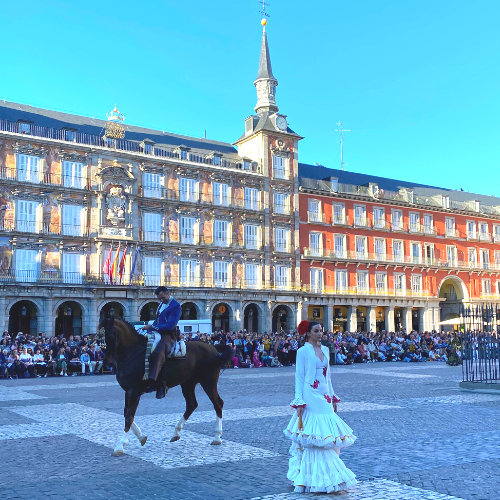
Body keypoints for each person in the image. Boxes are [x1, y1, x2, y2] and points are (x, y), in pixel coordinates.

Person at [284, 320, 357, 494]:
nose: (320, 334)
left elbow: (328, 377)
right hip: (310, 394)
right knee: (316, 434)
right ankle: (314, 477)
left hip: (324, 395)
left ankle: (329, 474)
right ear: (308, 333)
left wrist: (332, 397)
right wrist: (299, 400)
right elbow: (299, 377)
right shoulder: (302, 351)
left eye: (321, 331)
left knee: (329, 432)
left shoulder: (325, 350)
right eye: (316, 331)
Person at [143, 286, 182, 399]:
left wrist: (152, 327)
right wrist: (149, 328)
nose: (161, 300)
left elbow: (169, 326)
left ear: (167, 293)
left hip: (168, 334)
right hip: (157, 331)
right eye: (159, 298)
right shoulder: (161, 304)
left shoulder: (176, 306)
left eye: (163, 298)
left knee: (159, 351)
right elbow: (157, 320)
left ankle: (159, 383)